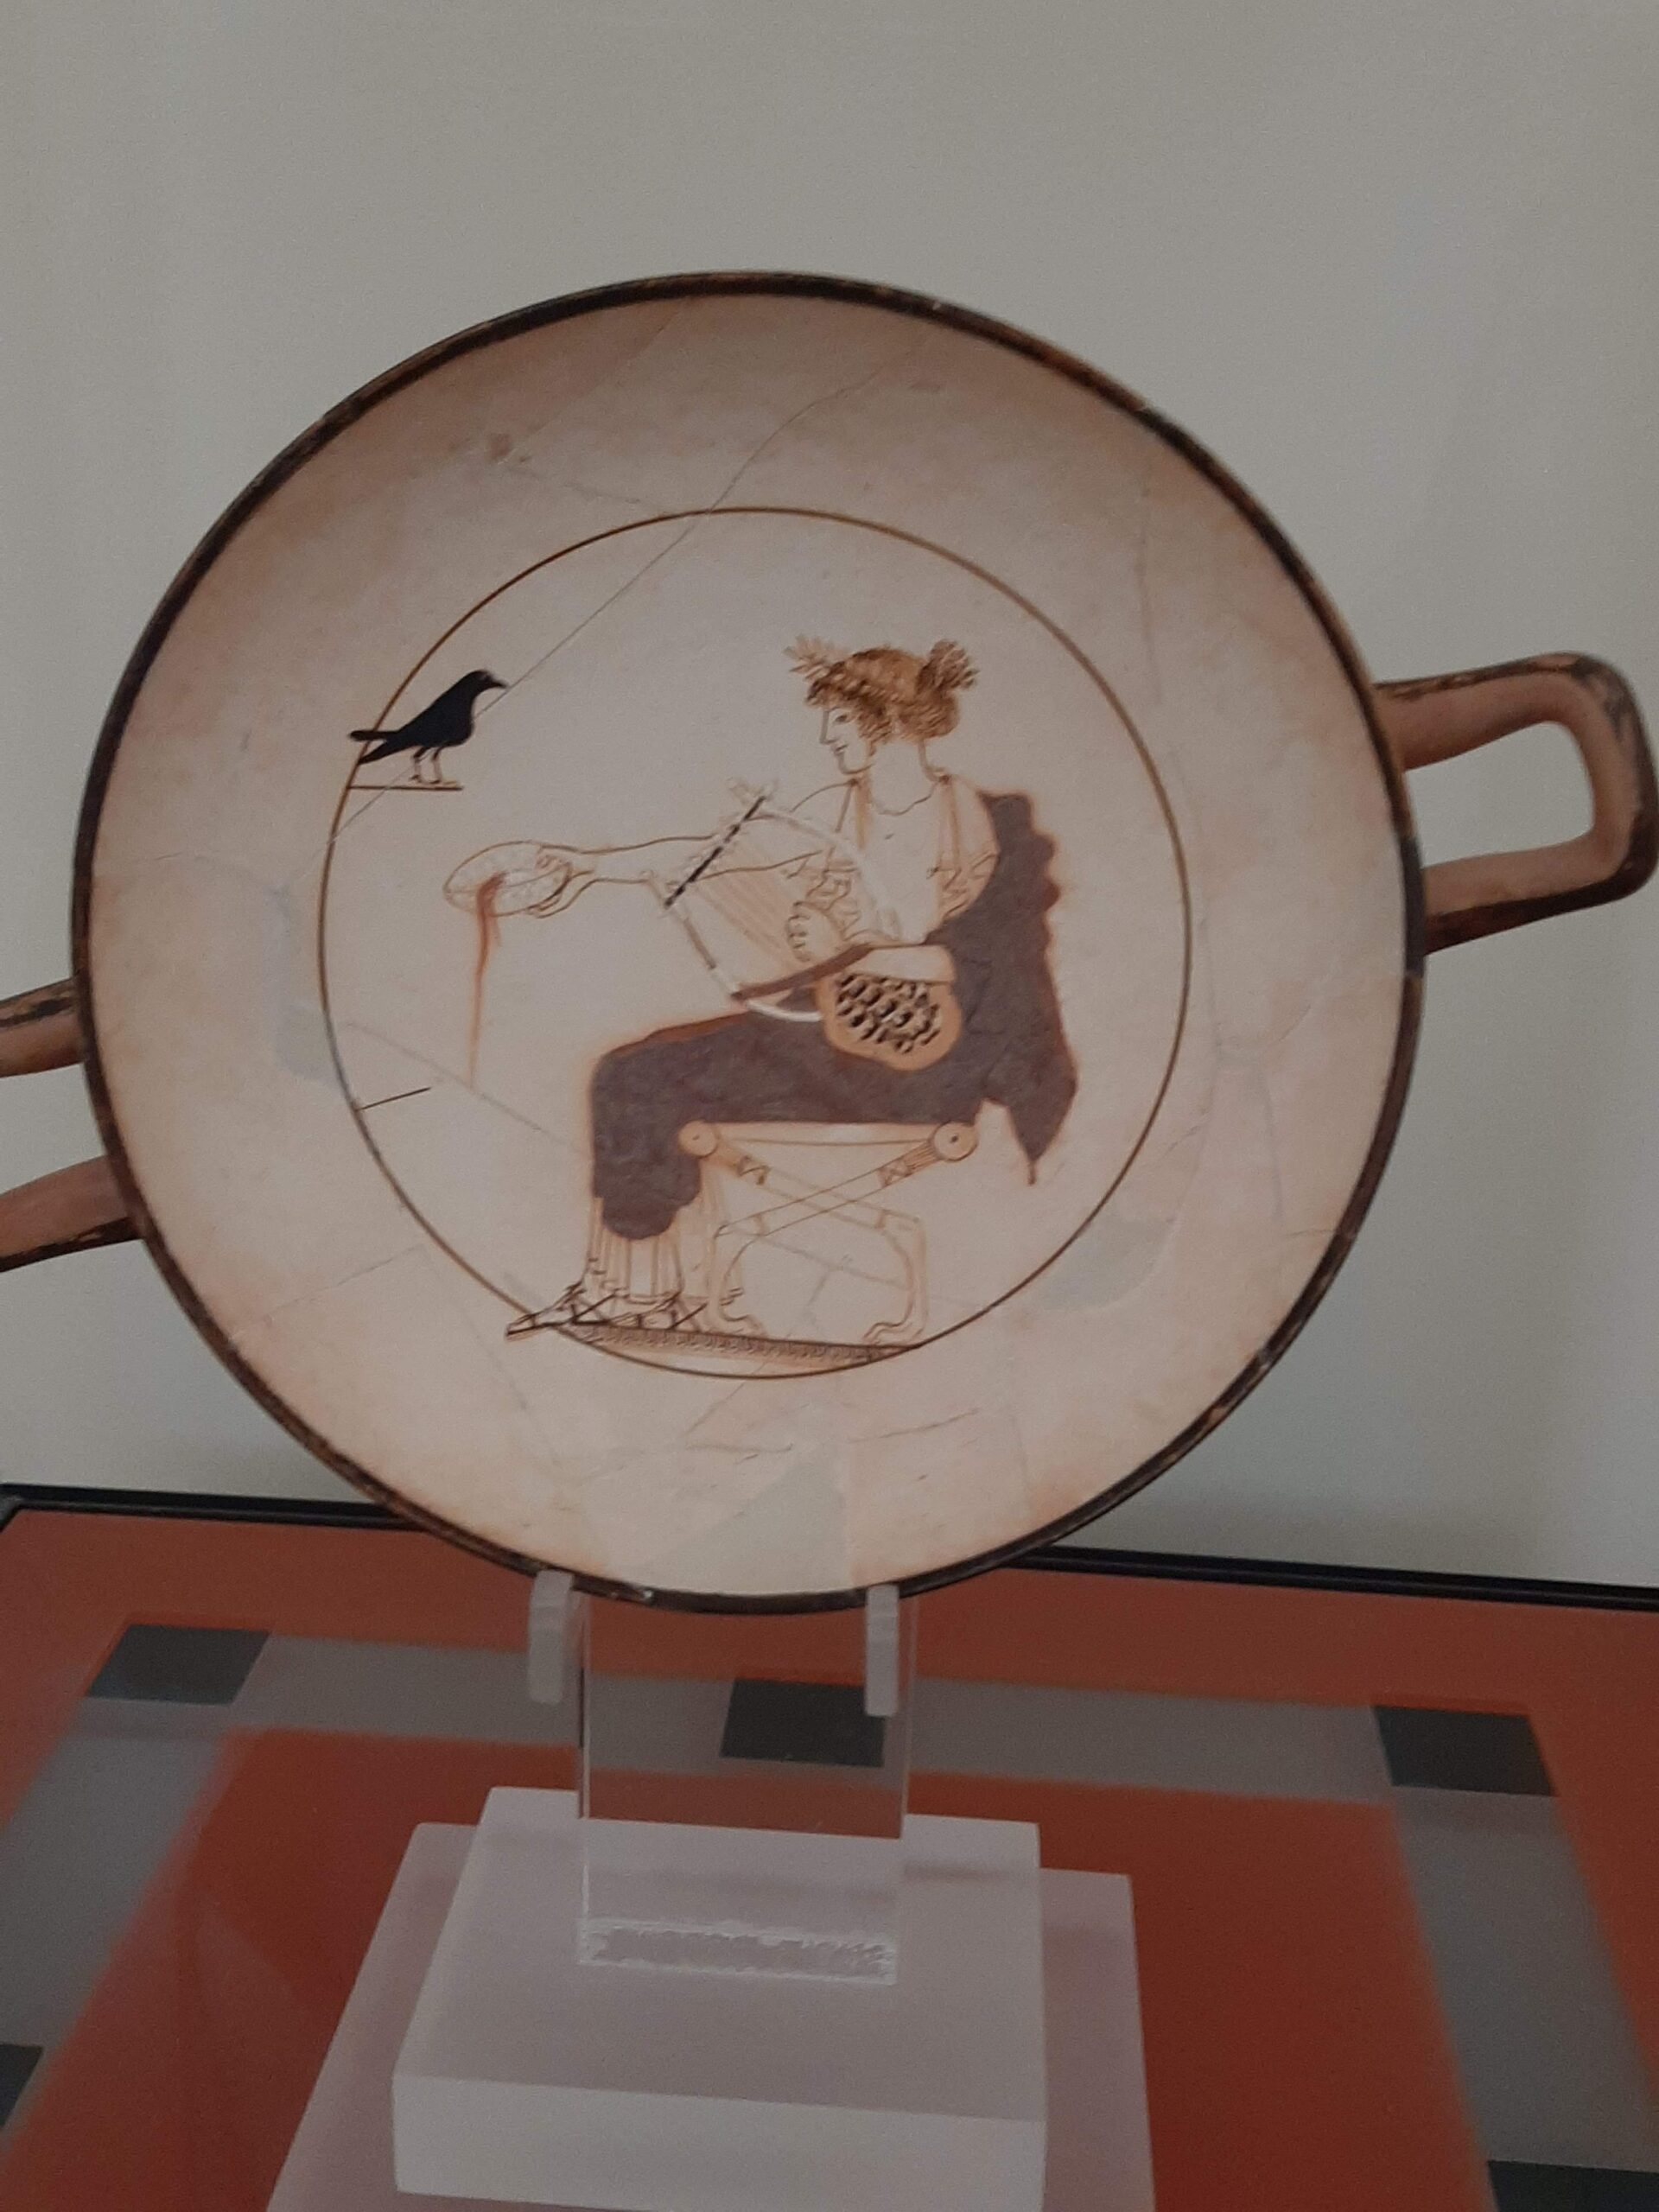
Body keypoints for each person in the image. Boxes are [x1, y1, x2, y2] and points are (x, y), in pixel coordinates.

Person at [447, 638, 1077, 1340]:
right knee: (633, 1071)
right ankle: (634, 1290)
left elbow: (977, 964)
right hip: (831, 1043)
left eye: (841, 720)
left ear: (889, 722)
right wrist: (587, 865)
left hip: (926, 1065)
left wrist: (846, 950)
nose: (827, 736)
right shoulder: (837, 813)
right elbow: (709, 856)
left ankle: (634, 1293)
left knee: (641, 1077)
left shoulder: (982, 824)